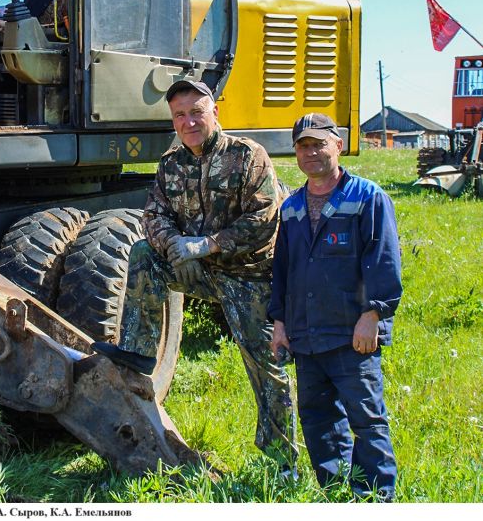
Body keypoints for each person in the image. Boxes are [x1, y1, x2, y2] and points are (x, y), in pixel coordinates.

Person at [92, 79, 298, 469]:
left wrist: (207, 244)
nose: (189, 122)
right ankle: (139, 351)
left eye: (196, 112)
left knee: (266, 366)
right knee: (144, 255)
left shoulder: (247, 156)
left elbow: (264, 218)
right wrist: (174, 246)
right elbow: (154, 215)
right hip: (198, 271)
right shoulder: (171, 164)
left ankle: (281, 461)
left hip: (249, 276)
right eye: (180, 115)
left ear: (214, 112)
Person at [268, 113, 401, 500]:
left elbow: (384, 260)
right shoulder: (291, 207)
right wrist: (279, 324)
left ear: (337, 145)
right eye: (302, 146)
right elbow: (283, 270)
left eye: (318, 143)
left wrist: (372, 315)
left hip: (351, 335)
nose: (310, 152)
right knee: (318, 420)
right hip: (306, 336)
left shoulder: (366, 198)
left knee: (366, 420)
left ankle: (375, 498)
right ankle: (337, 494)